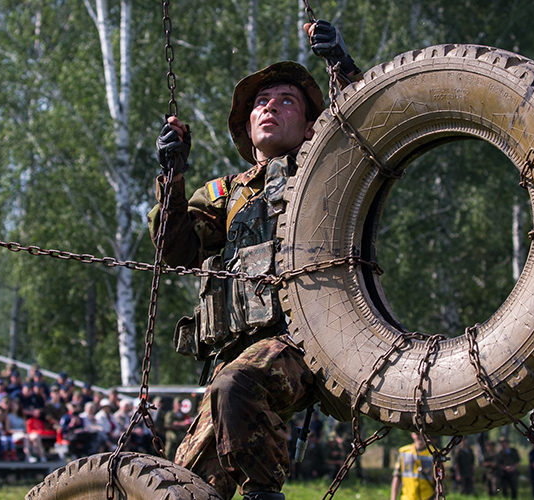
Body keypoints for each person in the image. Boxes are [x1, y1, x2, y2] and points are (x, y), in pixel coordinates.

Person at [148, 19, 361, 500]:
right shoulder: (224, 194)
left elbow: (366, 128)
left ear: (310, 125)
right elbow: (177, 249)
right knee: (188, 484)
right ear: (247, 127)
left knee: (235, 385)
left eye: (287, 101)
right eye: (261, 104)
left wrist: (342, 68)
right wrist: (172, 175)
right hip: (237, 351)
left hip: (311, 334)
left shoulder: (325, 169)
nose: (270, 107)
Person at [391, 432, 434, 500]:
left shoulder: (434, 453)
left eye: (423, 434)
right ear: (412, 435)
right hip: (407, 497)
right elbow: (397, 476)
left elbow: (440, 480)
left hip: (428, 497)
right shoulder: (403, 452)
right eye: (417, 434)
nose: (420, 437)